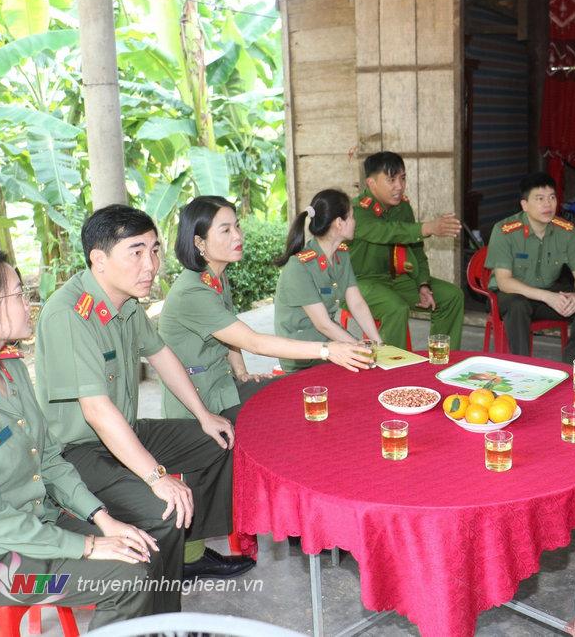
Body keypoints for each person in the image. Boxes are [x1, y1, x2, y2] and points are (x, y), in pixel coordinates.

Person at [34, 205, 254, 608]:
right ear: (99, 260)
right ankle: (161, 616)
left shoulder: (128, 302)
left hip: (124, 432)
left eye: (154, 250)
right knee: (164, 508)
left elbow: (162, 355)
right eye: (135, 252)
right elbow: (97, 411)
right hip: (75, 452)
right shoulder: (69, 314)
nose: (150, 264)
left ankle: (185, 549)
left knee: (222, 438)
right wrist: (156, 477)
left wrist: (204, 417)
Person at [159, 197, 371, 565]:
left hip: (224, 386)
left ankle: (305, 523)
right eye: (225, 229)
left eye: (237, 225)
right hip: (199, 404)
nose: (238, 235)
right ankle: (298, 527)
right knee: (295, 417)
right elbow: (251, 339)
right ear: (199, 242)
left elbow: (226, 335)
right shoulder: (192, 290)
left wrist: (241, 372)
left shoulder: (215, 277)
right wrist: (327, 350)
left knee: (300, 402)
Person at [0, 247, 158, 627]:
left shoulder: (10, 370)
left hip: (33, 527)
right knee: (125, 578)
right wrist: (89, 545)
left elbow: (47, 458)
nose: (29, 302)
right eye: (17, 294)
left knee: (138, 548)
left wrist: (102, 519)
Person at [349, 151, 464, 350]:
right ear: (371, 183)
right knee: (396, 308)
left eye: (403, 178)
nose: (399, 186)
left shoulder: (402, 208)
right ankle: (394, 371)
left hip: (398, 280)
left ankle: (443, 359)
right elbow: (386, 232)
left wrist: (423, 283)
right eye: (391, 180)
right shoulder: (357, 211)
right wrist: (427, 228)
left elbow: (415, 249)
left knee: (451, 296)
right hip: (359, 283)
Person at [484, 172, 575, 360]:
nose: (548, 204)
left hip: (548, 293)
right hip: (510, 295)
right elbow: (504, 282)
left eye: (552, 197)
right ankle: (522, 366)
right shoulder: (504, 230)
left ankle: (572, 365)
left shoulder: (566, 231)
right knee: (518, 306)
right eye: (540, 199)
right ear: (525, 205)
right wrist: (548, 297)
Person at [273, 189, 381, 373]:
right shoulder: (299, 266)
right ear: (339, 223)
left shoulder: (341, 255)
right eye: (352, 217)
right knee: (362, 370)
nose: (355, 222)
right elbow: (323, 323)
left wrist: (378, 344)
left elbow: (357, 303)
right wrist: (358, 348)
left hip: (330, 341)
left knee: (368, 369)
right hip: (303, 354)